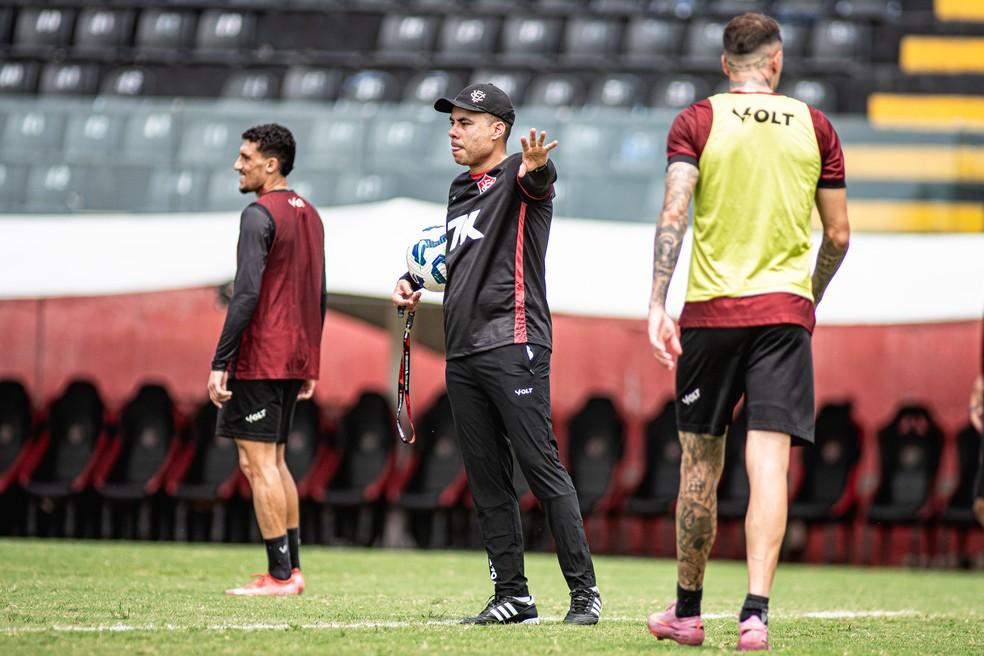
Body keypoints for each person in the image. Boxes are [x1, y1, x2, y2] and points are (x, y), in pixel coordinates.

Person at [643, 13, 850, 651]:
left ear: (726, 63)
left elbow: (675, 210)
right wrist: (805, 299)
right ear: (777, 61)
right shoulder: (816, 127)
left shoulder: (697, 120)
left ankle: (687, 612)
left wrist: (658, 301)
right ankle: (755, 614)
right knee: (770, 468)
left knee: (700, 465)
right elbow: (839, 236)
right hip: (784, 315)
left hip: (710, 312)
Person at [391, 83, 602, 625]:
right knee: (487, 481)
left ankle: (584, 595)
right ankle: (514, 596)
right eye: (452, 122)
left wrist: (536, 169)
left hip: (513, 342)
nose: (453, 132)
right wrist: (413, 282)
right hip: (462, 351)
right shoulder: (460, 190)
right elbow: (458, 265)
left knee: (542, 468)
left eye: (464, 122)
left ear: (497, 129)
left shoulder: (520, 176)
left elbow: (540, 181)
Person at [207, 123, 327, 596]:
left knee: (258, 465)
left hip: (261, 356)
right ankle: (291, 572)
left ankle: (281, 576)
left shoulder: (258, 214)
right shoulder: (311, 214)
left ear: (270, 164)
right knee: (274, 462)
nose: (238, 164)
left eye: (245, 156)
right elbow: (318, 294)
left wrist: (222, 360)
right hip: (293, 356)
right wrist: (310, 363)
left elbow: (246, 293)